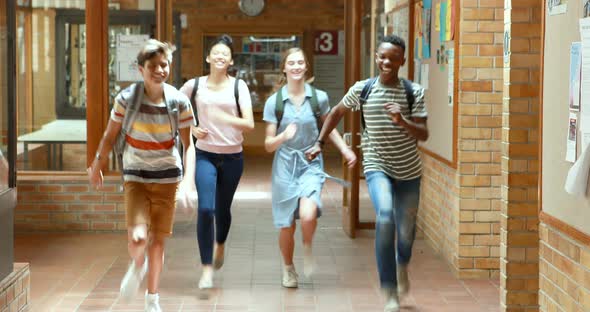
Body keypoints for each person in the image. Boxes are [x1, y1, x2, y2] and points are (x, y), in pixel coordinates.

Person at [305, 34, 428, 312]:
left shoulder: (413, 91)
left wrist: (402, 120)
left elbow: (423, 133)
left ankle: (402, 265)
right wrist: (319, 143)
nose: (387, 62)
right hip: (376, 166)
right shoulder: (363, 89)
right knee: (385, 216)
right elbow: (336, 113)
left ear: (402, 61)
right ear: (376, 56)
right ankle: (389, 291)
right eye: (382, 56)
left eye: (393, 58)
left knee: (406, 231)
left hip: (409, 171)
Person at [87, 39, 195, 312]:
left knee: (158, 241)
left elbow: (188, 145)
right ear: (140, 68)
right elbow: (110, 135)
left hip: (168, 178)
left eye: (164, 64)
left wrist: (187, 185)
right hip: (135, 175)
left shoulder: (178, 102)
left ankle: (152, 298)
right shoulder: (126, 99)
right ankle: (138, 264)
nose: (160, 70)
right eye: (153, 65)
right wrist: (98, 163)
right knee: (137, 238)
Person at [263, 47, 356, 288]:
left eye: (300, 63)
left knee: (307, 214)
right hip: (284, 166)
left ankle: (307, 245)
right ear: (284, 68)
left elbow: (330, 128)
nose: (295, 66)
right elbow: (268, 145)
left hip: (311, 163)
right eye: (291, 63)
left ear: (306, 67)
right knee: (286, 224)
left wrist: (345, 150)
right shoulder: (275, 102)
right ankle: (288, 267)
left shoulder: (319, 98)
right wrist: (283, 136)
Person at [178, 34, 254, 293]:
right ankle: (206, 269)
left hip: (233, 157)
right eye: (216, 53)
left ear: (231, 60)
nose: (220, 56)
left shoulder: (238, 87)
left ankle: (220, 243)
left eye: (226, 54)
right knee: (206, 209)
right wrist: (192, 127)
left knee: (223, 210)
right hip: (205, 155)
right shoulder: (194, 86)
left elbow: (249, 123)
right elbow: (174, 109)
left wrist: (224, 117)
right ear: (208, 57)